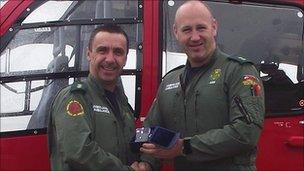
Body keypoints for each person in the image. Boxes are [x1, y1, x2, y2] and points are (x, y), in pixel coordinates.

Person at [140, 1, 265, 170]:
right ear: (176, 32)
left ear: (214, 27)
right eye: (187, 30)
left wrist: (185, 147)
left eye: (201, 28)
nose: (195, 37)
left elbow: (246, 132)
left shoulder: (238, 71)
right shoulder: (169, 81)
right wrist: (146, 162)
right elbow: (151, 130)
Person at [48, 24, 151, 171]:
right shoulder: (75, 98)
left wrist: (147, 161)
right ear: (89, 54)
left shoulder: (122, 103)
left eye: (118, 52)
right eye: (102, 50)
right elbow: (79, 152)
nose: (110, 59)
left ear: (125, 59)